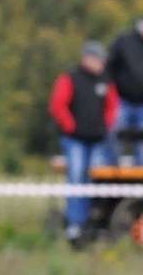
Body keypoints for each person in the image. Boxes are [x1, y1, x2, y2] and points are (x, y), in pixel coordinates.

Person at [49, 41, 120, 247]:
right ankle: (74, 223)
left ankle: (90, 221)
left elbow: (112, 107)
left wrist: (105, 126)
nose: (101, 64)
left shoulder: (106, 81)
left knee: (93, 181)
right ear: (87, 59)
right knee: (76, 178)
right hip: (75, 140)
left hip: (98, 140)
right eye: (98, 60)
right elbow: (57, 105)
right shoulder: (70, 78)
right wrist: (71, 127)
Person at [104, 11, 143, 165]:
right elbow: (109, 67)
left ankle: (140, 178)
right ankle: (111, 172)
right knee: (114, 136)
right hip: (122, 100)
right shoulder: (125, 41)